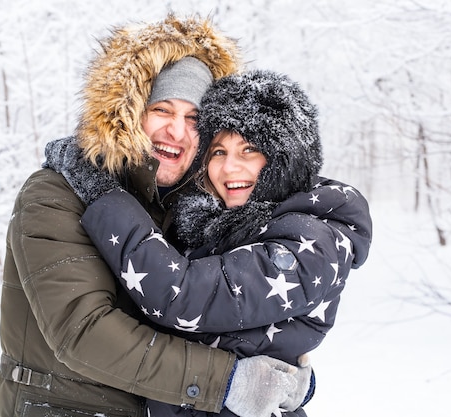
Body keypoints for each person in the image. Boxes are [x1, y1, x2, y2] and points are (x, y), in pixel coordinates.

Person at [0, 15, 313, 417]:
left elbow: (227, 304)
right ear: (127, 113)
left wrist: (283, 375)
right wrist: (229, 380)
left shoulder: (201, 204)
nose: (176, 132)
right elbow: (83, 330)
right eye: (162, 109)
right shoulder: (54, 193)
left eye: (194, 118)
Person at [43, 70, 373, 417]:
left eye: (249, 149)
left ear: (284, 157)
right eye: (218, 151)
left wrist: (102, 194)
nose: (229, 167)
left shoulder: (311, 240)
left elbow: (180, 295)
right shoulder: (230, 225)